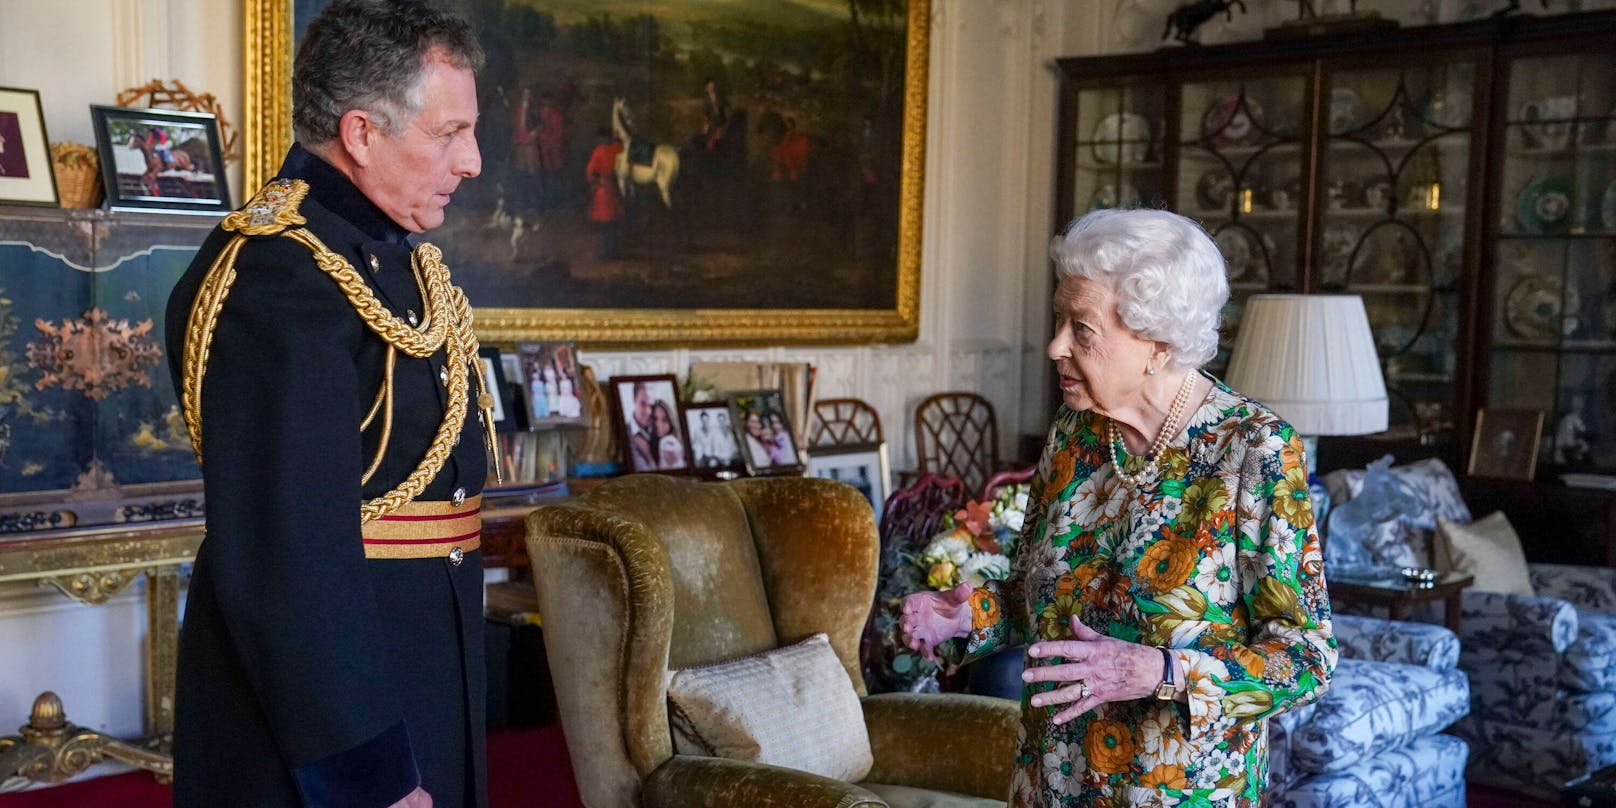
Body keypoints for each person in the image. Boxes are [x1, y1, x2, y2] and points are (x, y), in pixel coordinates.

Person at [162, 2, 496, 805]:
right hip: (326, 726)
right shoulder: (276, 275)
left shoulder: (395, 258)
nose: (474, 160)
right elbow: (288, 556)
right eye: (450, 133)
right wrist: (366, 774)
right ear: (360, 133)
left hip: (420, 671)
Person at [900, 209, 1335, 807]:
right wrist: (969, 615)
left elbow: (1306, 658)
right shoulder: (1074, 434)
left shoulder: (1253, 449)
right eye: (1059, 319)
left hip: (1178, 791)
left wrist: (1160, 672)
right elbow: (1036, 597)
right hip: (1051, 780)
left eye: (1081, 328)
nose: (1055, 346)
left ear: (1157, 344)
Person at [584, 127, 623, 258]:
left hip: (605, 191)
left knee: (606, 223)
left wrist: (597, 181)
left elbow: (590, 172)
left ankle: (609, 252)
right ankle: (613, 250)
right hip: (617, 189)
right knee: (614, 223)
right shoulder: (618, 148)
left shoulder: (599, 151)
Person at [626, 382, 657, 471]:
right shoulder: (627, 432)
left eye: (651, 405)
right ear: (634, 401)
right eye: (643, 404)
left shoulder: (658, 427)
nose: (648, 411)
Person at [652, 401, 685, 469]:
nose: (659, 424)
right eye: (655, 419)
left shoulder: (666, 441)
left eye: (664, 420)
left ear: (670, 421)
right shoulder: (657, 441)